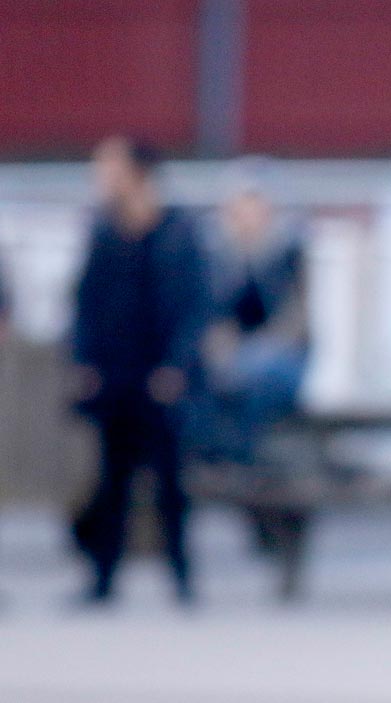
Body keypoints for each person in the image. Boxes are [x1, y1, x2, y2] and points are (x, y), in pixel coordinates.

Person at [69, 135, 211, 605]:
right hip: (114, 375)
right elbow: (84, 302)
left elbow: (195, 306)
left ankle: (182, 578)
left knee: (170, 482)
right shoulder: (103, 230)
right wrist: (84, 361)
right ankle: (103, 577)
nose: (101, 177)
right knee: (111, 480)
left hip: (163, 377)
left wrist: (178, 366)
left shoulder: (179, 231)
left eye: (109, 167)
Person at [197, 159, 310, 470]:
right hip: (230, 355)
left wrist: (259, 348)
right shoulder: (218, 255)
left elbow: (295, 323)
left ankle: (241, 459)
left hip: (280, 357)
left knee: (256, 378)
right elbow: (213, 317)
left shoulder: (288, 253)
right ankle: (210, 457)